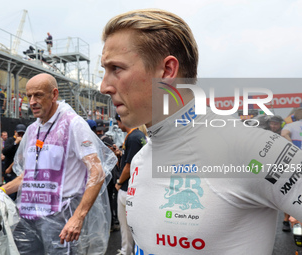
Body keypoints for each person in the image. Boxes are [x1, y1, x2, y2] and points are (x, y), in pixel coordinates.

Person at [100, 9, 302, 254]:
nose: (103, 86)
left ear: (166, 71)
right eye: (104, 70)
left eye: (116, 68)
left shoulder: (247, 147)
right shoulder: (143, 157)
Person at [0, 73, 116, 254]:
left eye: (38, 95)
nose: (32, 101)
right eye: (29, 96)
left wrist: (78, 217)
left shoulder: (73, 124)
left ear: (54, 95)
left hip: (62, 221)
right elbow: (27, 177)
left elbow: (97, 172)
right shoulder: (32, 129)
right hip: (28, 218)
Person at [114, 113, 146, 255]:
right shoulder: (138, 135)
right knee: (138, 226)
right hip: (137, 187)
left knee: (126, 226)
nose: (118, 126)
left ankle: (126, 251)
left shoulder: (132, 137)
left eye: (117, 122)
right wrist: (120, 154)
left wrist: (119, 182)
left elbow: (128, 166)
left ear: (121, 120)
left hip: (127, 188)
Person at [2, 124, 26, 201]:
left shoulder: (25, 142)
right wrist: (15, 142)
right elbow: (5, 152)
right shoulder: (10, 140)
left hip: (21, 171)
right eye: (19, 133)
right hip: (10, 171)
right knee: (11, 194)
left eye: (23, 134)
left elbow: (21, 157)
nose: (21, 136)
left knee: (20, 194)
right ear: (15, 132)